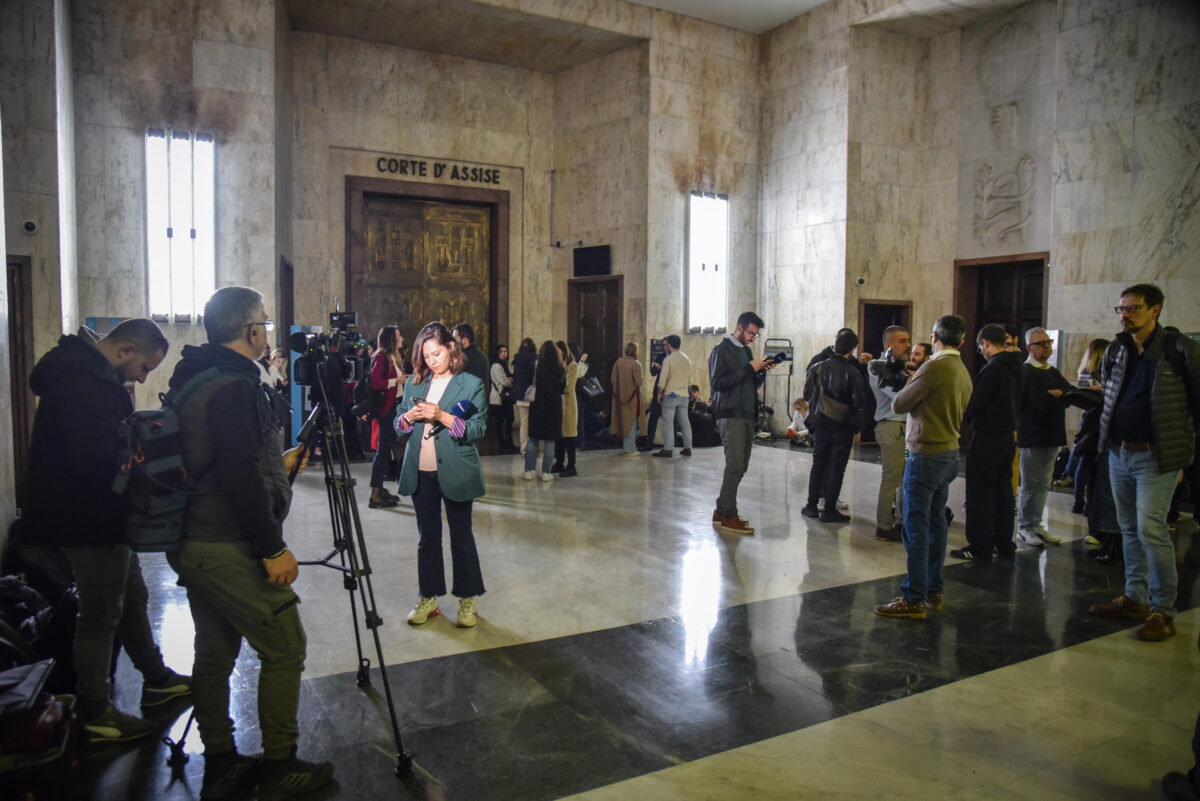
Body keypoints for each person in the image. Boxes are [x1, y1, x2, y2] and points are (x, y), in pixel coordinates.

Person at [167, 286, 332, 798]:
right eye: (264, 322)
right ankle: (280, 770)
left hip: (195, 537)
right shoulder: (234, 387)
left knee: (215, 652)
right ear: (252, 332)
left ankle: (221, 763)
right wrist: (271, 549)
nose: (267, 331)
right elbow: (237, 473)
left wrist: (275, 466)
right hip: (226, 542)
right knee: (285, 646)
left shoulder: (195, 376)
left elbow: (224, 458)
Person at [20, 318, 189, 742]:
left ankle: (155, 679)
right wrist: (138, 463)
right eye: (144, 367)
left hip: (94, 516)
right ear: (125, 350)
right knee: (99, 614)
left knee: (132, 595)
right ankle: (96, 712)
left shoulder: (84, 374)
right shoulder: (83, 383)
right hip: (85, 518)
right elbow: (94, 460)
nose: (142, 378)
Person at [1088, 283, 1200, 642]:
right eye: (1121, 309)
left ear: (1155, 310)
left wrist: (1182, 450)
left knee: (1152, 529)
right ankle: (1136, 596)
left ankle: (1163, 610)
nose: (1125, 315)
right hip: (1119, 451)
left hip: (1157, 455)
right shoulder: (1117, 350)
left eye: (1133, 308)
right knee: (1128, 527)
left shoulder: (1179, 349)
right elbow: (1109, 389)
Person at [875, 314, 972, 620]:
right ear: (963, 340)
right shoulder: (962, 369)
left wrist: (910, 382)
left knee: (915, 527)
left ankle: (913, 596)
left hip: (925, 454)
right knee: (936, 524)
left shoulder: (934, 367)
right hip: (949, 452)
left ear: (934, 337)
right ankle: (933, 591)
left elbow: (898, 404)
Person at [395, 321, 488, 628]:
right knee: (427, 539)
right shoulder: (415, 383)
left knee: (461, 537)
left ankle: (468, 599)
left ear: (451, 348)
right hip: (421, 470)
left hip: (457, 470)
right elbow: (399, 426)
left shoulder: (471, 384)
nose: (431, 361)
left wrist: (442, 416)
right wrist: (409, 416)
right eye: (426, 355)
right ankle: (428, 596)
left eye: (436, 353)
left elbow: (477, 430)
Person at [951, 323, 1024, 561]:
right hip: (1007, 437)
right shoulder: (1018, 367)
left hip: (987, 437)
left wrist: (965, 416)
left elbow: (974, 404)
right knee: (1004, 492)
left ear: (985, 343)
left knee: (980, 493)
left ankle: (980, 546)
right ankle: (1004, 544)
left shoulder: (993, 369)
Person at [709, 311, 776, 535]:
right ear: (739, 328)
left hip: (747, 413)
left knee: (741, 467)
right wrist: (748, 368)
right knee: (735, 465)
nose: (752, 339)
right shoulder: (721, 350)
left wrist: (760, 372)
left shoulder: (745, 351)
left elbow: (749, 384)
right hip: (730, 414)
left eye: (755, 336)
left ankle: (721, 510)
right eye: (750, 333)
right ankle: (728, 513)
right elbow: (718, 383)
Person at [1015, 326, 1075, 547]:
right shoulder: (1026, 371)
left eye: (1048, 342)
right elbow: (1037, 402)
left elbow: (1069, 394)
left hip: (1052, 433)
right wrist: (1056, 397)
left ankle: (1036, 523)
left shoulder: (1051, 371)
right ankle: (1025, 526)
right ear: (1030, 348)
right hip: (1033, 434)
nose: (1047, 346)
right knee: (1032, 483)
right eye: (1041, 343)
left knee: (1043, 483)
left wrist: (1059, 396)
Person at [801, 329, 869, 523]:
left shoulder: (818, 367)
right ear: (852, 349)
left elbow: (807, 394)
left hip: (821, 424)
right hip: (844, 426)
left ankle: (811, 506)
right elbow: (859, 402)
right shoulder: (853, 372)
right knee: (837, 467)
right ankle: (829, 509)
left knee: (818, 465)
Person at [867, 325, 914, 542]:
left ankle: (901, 521)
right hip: (891, 426)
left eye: (908, 340)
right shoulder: (878, 367)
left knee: (904, 479)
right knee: (892, 479)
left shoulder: (901, 366)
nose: (908, 345)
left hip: (903, 427)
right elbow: (899, 394)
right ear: (888, 344)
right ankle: (884, 526)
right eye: (903, 341)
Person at [368, 326, 406, 509]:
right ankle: (375, 494)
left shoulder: (393, 358)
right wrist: (396, 381)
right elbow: (376, 383)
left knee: (385, 451)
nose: (402, 338)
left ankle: (380, 489)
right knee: (382, 451)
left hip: (394, 407)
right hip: (386, 410)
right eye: (399, 336)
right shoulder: (380, 357)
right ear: (392, 339)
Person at [524, 340, 565, 481]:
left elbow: (529, 382)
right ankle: (546, 472)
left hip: (537, 406)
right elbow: (562, 388)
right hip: (553, 406)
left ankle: (529, 470)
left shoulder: (535, 366)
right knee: (549, 440)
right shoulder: (559, 367)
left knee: (533, 439)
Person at [653, 335, 693, 458]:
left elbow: (663, 378)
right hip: (684, 395)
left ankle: (668, 449)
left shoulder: (668, 360)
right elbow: (690, 380)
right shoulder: (687, 359)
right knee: (685, 422)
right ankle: (687, 448)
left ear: (669, 345)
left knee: (668, 422)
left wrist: (659, 394)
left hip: (671, 395)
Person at [611, 342, 646, 457]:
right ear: (635, 351)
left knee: (623, 422)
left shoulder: (618, 362)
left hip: (619, 397)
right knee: (631, 422)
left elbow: (612, 379)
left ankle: (627, 447)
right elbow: (638, 382)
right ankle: (629, 449)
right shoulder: (636, 364)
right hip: (632, 398)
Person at [552, 341, 580, 477]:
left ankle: (571, 466)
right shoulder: (557, 364)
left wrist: (556, 385)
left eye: (558, 351)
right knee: (559, 435)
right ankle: (559, 462)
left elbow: (568, 387)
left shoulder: (572, 365)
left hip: (568, 404)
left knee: (569, 435)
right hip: (558, 403)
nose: (557, 353)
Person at [511, 338, 537, 455]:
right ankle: (532, 449)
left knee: (524, 423)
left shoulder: (517, 358)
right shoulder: (535, 358)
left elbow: (516, 375)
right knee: (533, 423)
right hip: (532, 394)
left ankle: (524, 449)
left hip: (521, 394)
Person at [488, 344, 516, 451]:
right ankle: (501, 443)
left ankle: (508, 443)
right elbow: (505, 382)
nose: (504, 354)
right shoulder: (497, 366)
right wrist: (511, 380)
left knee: (509, 420)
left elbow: (511, 377)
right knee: (500, 422)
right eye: (501, 352)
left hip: (505, 398)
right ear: (497, 353)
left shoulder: (505, 365)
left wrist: (511, 379)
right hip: (498, 398)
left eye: (505, 351)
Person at [453, 322, 490, 386]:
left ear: (464, 340)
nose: (453, 343)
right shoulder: (483, 357)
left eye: (455, 339)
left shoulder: (464, 359)